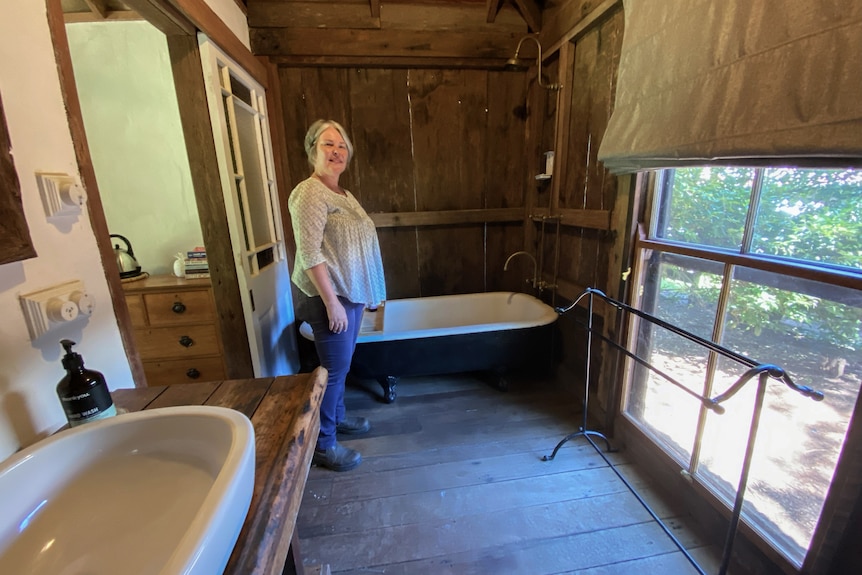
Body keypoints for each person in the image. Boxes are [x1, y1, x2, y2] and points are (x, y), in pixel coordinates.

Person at [288, 119, 387, 472]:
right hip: (330, 295)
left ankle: (338, 417)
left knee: (341, 366)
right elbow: (310, 253)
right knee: (332, 370)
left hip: (350, 293)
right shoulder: (310, 192)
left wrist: (367, 289)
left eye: (342, 146)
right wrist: (332, 303)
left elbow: (357, 244)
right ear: (312, 149)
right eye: (328, 144)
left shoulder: (342, 193)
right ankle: (324, 444)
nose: (336, 151)